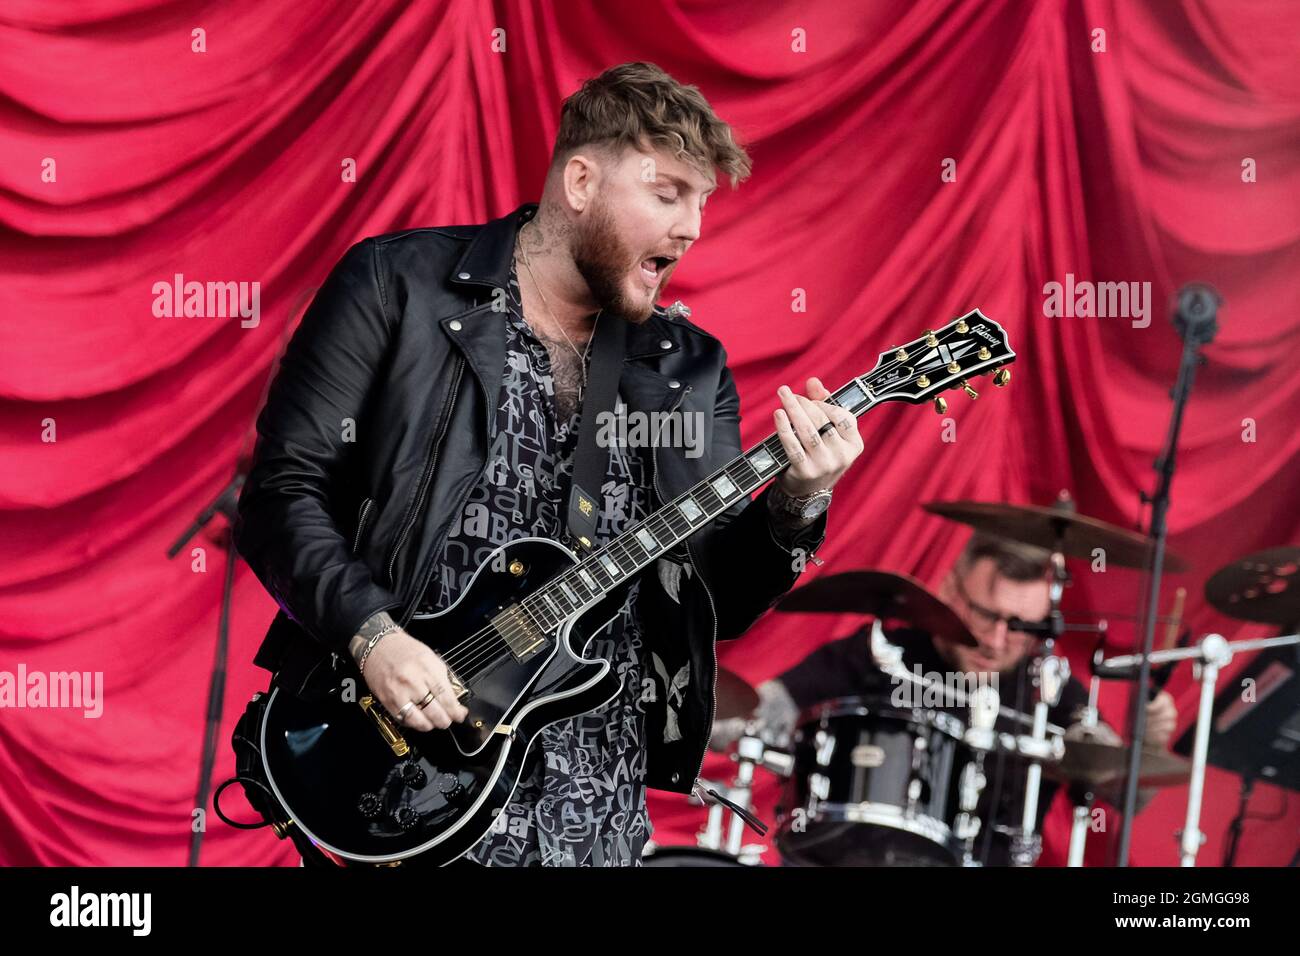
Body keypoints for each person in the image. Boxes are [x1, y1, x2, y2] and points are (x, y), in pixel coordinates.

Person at [234, 62, 865, 867]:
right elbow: (283, 492)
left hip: (592, 807)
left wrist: (798, 502)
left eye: (703, 202)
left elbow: (716, 603)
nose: (693, 227)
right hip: (409, 772)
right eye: (669, 192)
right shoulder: (399, 286)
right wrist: (371, 636)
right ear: (579, 181)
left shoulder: (686, 369)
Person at [716, 532, 1178, 865]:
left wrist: (1145, 749)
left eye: (1020, 628)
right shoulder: (882, 652)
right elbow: (754, 715)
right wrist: (716, 715)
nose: (997, 641)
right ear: (950, 590)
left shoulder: (1051, 690)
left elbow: (1129, 796)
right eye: (985, 616)